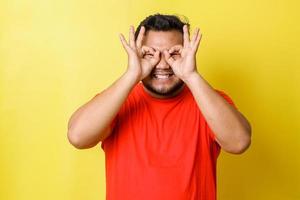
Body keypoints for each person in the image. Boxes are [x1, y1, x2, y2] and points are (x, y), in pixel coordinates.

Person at [67, 13, 252, 200]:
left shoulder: (209, 100)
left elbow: (239, 143)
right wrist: (132, 74)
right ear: (137, 54)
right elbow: (77, 137)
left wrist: (191, 75)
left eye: (174, 53)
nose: (163, 64)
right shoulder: (117, 101)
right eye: (150, 54)